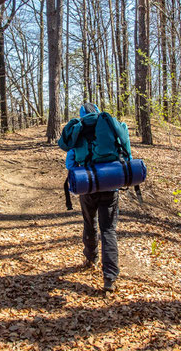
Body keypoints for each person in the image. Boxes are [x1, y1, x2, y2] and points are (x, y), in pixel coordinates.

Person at [59, 103, 132, 292]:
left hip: (87, 186)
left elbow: (70, 162)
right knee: (108, 229)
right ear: (98, 112)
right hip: (110, 185)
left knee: (89, 223)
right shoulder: (108, 127)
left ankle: (91, 257)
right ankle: (109, 278)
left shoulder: (79, 130)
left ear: (81, 115)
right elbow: (125, 150)